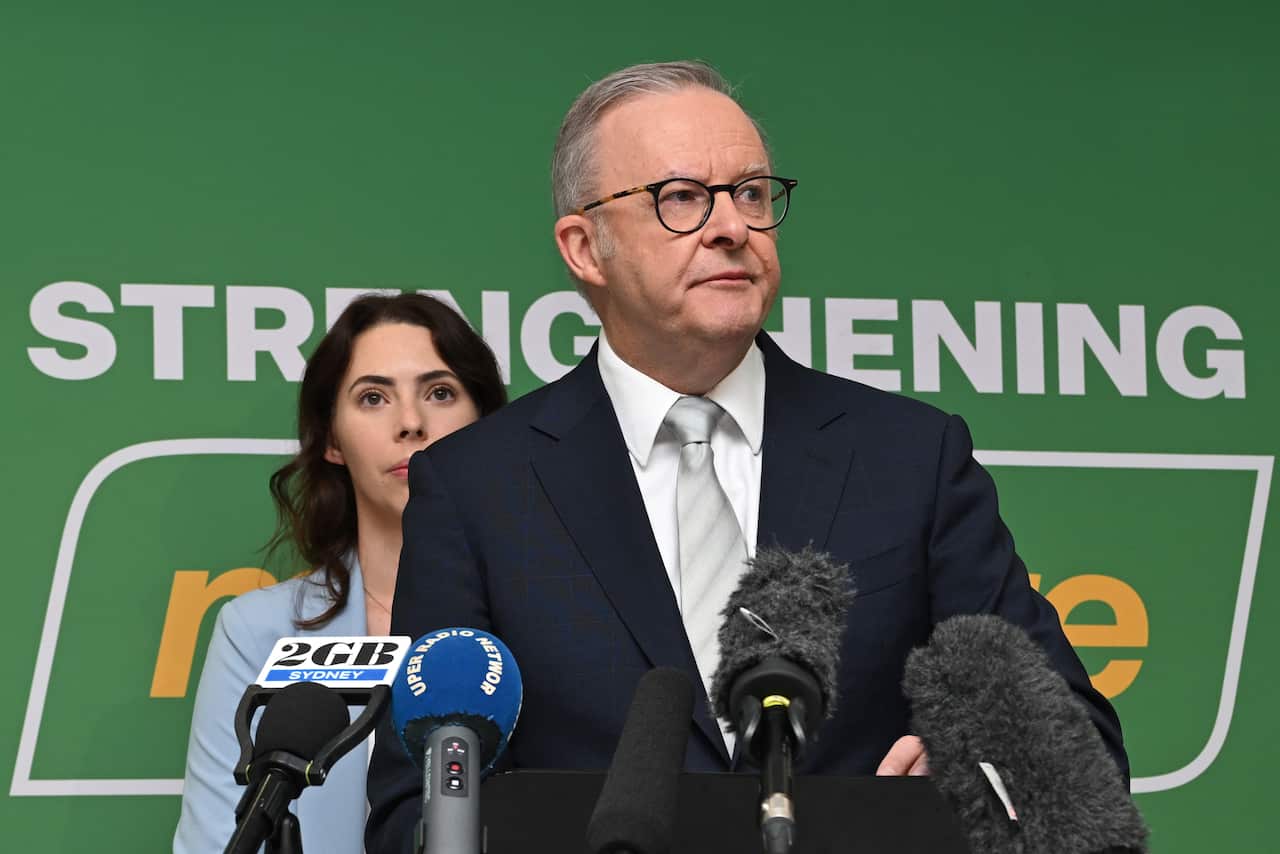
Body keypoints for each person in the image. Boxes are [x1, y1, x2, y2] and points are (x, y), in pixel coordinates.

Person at [367, 61, 1128, 850]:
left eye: (753, 194)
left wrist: (975, 773)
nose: (732, 226)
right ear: (586, 248)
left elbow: (1079, 745)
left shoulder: (911, 459)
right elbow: (410, 807)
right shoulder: (478, 487)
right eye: (682, 198)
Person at [174, 293, 505, 853]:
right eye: (373, 397)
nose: (411, 423)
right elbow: (217, 840)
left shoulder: (554, 612)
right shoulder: (258, 630)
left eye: (440, 392)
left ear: (489, 426)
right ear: (331, 438)